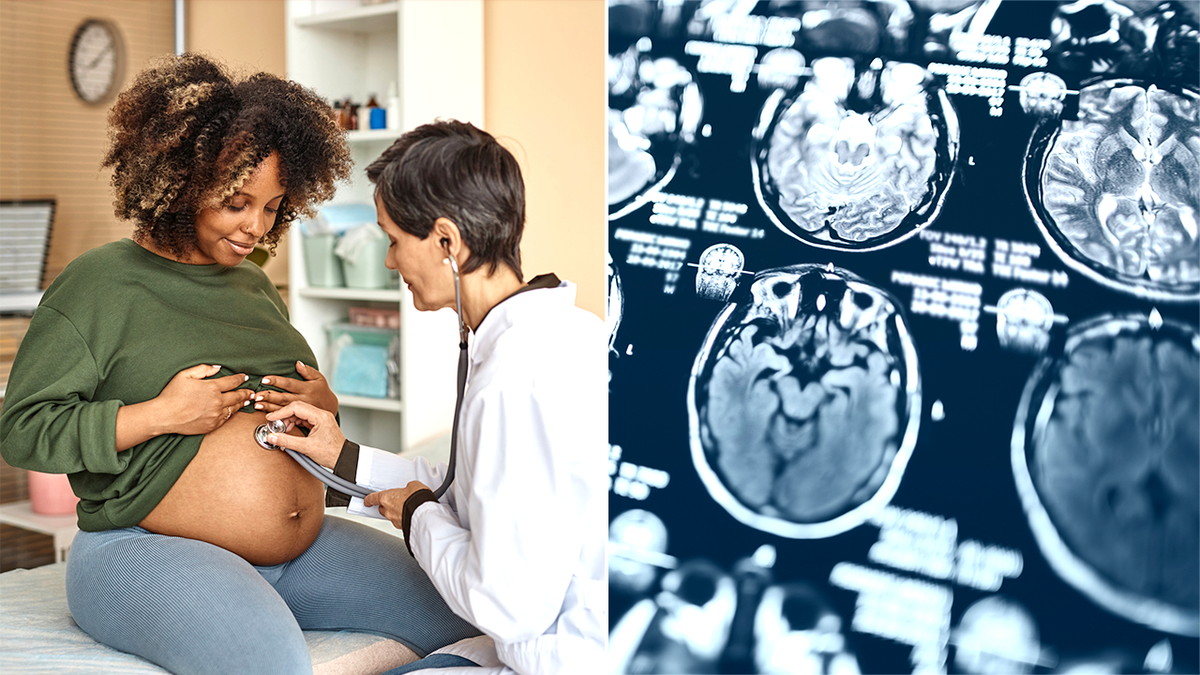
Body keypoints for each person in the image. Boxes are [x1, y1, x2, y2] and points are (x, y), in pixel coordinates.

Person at [0, 55, 479, 675]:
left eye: (274, 206)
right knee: (272, 665)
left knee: (470, 615)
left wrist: (321, 407)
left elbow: (286, 413)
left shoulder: (251, 287)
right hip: (145, 549)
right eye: (235, 203)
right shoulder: (97, 285)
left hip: (300, 552)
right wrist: (157, 416)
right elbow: (22, 431)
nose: (256, 226)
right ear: (178, 182)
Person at [264, 120, 608, 674]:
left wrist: (418, 516)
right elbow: (475, 492)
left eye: (394, 240)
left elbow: (505, 605)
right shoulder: (570, 332)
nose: (388, 262)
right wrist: (343, 459)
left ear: (447, 241)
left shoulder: (512, 379)